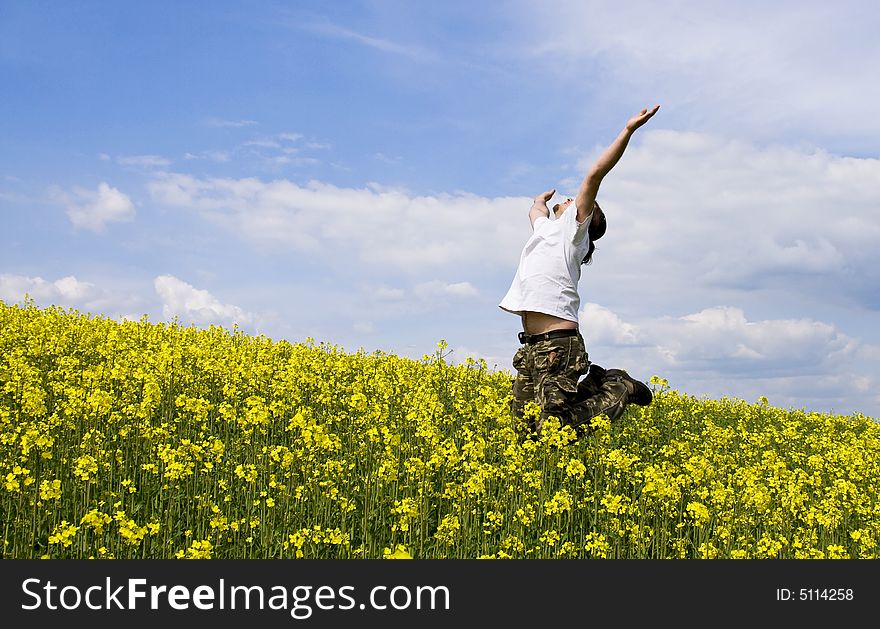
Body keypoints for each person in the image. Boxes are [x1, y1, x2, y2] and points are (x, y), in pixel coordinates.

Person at [499, 105, 660, 438]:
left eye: (575, 201)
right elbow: (536, 212)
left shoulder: (573, 232)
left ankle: (620, 389)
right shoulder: (545, 230)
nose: (570, 198)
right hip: (531, 347)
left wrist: (627, 131)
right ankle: (601, 383)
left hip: (558, 345)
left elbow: (594, 174)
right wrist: (538, 201)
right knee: (523, 435)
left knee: (553, 432)